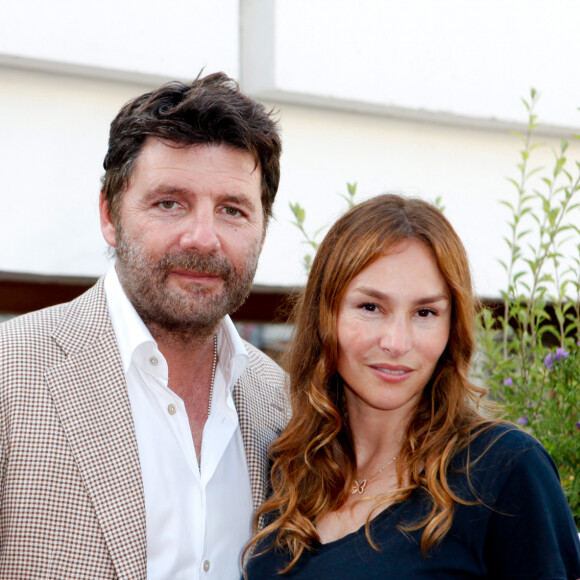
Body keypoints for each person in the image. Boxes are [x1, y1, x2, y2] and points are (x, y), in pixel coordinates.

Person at [0, 72, 288, 579]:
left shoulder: (284, 405)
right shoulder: (10, 374)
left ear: (262, 228)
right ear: (109, 214)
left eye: (232, 210)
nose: (203, 238)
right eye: (169, 203)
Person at [243, 194, 580, 579]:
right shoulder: (288, 469)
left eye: (425, 312)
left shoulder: (504, 470)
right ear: (326, 315)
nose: (397, 342)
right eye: (371, 307)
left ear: (452, 328)